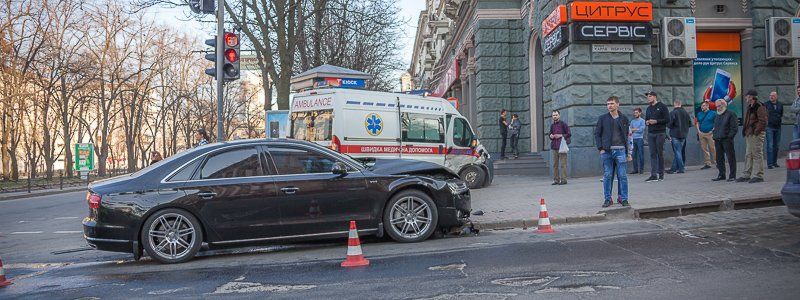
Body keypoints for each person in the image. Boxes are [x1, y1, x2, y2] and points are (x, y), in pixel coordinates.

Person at [595, 96, 631, 208]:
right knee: (608, 175)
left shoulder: (624, 118)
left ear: (618, 104)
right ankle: (607, 199)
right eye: (608, 104)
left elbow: (628, 136)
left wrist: (628, 152)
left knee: (622, 176)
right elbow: (597, 134)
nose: (609, 106)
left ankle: (623, 198)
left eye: (611, 103)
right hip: (607, 152)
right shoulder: (602, 118)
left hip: (621, 150)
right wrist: (600, 148)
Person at [738, 90, 767, 183]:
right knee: (748, 154)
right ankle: (746, 174)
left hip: (756, 134)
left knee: (757, 153)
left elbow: (763, 121)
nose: (746, 98)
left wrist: (756, 131)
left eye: (747, 96)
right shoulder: (750, 107)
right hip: (750, 133)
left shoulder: (759, 106)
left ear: (751, 97)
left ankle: (759, 175)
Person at [644, 91, 670, 182]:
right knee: (652, 154)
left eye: (650, 96)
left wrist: (656, 121)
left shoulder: (662, 106)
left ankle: (661, 174)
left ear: (655, 97)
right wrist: (647, 122)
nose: (648, 98)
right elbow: (646, 119)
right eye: (647, 96)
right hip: (651, 133)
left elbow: (667, 119)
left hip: (660, 133)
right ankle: (653, 175)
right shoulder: (648, 108)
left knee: (660, 153)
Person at [712, 100, 738, 182]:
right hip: (718, 139)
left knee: (731, 157)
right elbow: (716, 127)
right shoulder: (717, 115)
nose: (718, 108)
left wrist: (729, 137)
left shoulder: (730, 114)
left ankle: (732, 175)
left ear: (724, 105)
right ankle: (721, 174)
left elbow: (734, 128)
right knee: (719, 158)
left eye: (719, 106)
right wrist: (714, 135)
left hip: (726, 139)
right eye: (716, 106)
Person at [667, 100, 691, 174]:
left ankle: (681, 168)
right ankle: (673, 168)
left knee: (677, 152)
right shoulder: (686, 113)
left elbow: (669, 124)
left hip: (675, 134)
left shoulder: (673, 113)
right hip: (684, 134)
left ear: (674, 104)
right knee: (679, 151)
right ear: (680, 104)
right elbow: (690, 124)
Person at [549, 110, 571, 185]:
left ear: (559, 115)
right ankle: (556, 180)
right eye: (553, 115)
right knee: (555, 164)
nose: (554, 116)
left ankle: (564, 180)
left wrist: (560, 135)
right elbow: (550, 134)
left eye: (556, 115)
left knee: (563, 164)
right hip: (554, 146)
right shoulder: (552, 125)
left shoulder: (563, 124)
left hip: (562, 146)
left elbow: (569, 133)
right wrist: (551, 136)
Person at [695, 101, 717, 170]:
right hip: (701, 133)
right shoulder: (699, 114)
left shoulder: (713, 113)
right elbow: (697, 122)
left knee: (713, 148)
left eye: (704, 105)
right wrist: (698, 131)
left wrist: (712, 130)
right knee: (704, 149)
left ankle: (717, 162)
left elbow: (716, 122)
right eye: (702, 106)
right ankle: (707, 163)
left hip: (710, 133)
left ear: (708, 106)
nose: (702, 107)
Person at [765, 91, 783, 169]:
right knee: (770, 145)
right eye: (770, 95)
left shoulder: (780, 105)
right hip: (769, 127)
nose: (771, 97)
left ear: (776, 97)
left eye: (773, 95)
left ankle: (774, 162)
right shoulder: (766, 104)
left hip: (778, 127)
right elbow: (764, 115)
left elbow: (781, 114)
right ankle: (769, 163)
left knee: (776, 145)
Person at [630, 108, 646, 174]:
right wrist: (635, 129)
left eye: (636, 112)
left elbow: (641, 130)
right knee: (633, 155)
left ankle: (641, 169)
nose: (635, 114)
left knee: (641, 154)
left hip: (640, 139)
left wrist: (634, 130)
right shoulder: (632, 121)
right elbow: (630, 130)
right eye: (634, 113)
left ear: (640, 113)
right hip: (633, 139)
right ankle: (635, 169)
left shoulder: (642, 121)